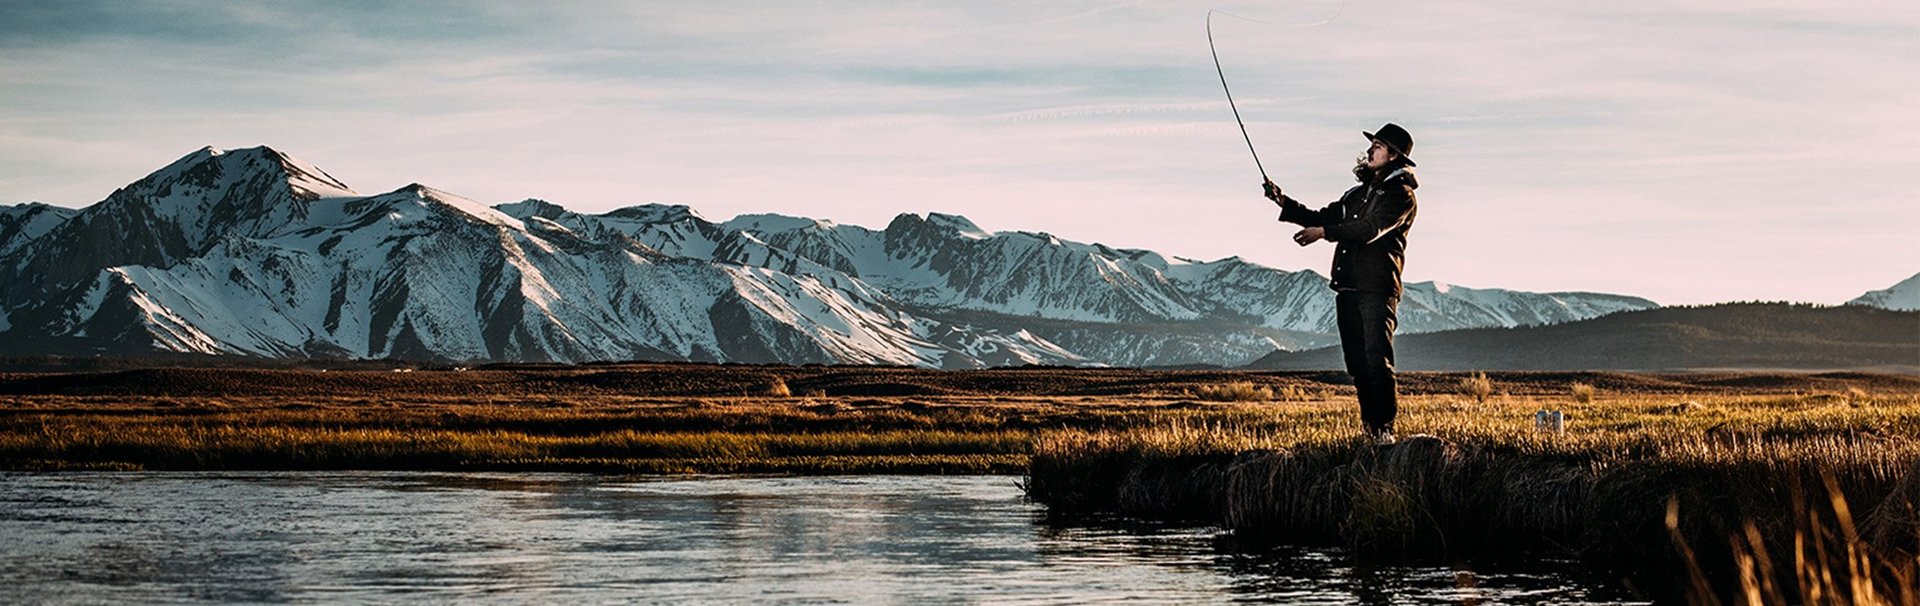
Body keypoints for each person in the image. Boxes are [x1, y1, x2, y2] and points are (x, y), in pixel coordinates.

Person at [1263, 123, 1419, 445]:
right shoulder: (1356, 193)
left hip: (1377, 288)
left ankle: (1385, 432)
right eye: (1372, 144)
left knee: (1377, 360)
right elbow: (1325, 216)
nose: (1370, 150)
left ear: (1394, 156)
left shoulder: (1401, 196)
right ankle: (1371, 433)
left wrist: (1324, 233)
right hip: (1348, 286)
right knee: (1358, 365)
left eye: (1378, 145)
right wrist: (1283, 202)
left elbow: (1368, 230)